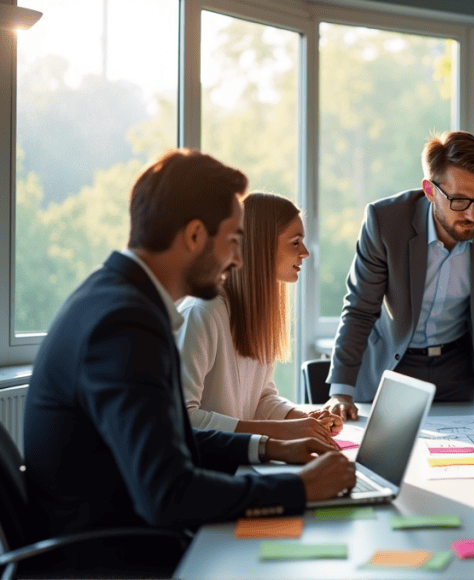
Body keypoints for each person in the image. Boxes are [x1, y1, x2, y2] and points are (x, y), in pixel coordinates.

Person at [22, 150, 356, 575]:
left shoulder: (118, 299)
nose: (238, 259)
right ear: (195, 235)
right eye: (234, 240)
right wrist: (297, 488)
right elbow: (167, 493)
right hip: (113, 555)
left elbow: (174, 436)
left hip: (125, 532)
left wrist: (273, 447)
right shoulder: (124, 323)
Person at [322, 131, 474, 422]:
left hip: (458, 369)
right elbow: (360, 309)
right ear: (430, 191)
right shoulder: (386, 222)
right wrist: (340, 391)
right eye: (460, 201)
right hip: (393, 364)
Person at [177, 192, 342, 446]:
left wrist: (306, 420)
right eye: (295, 242)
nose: (306, 253)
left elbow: (262, 399)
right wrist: (284, 432)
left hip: (239, 458)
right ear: (261, 246)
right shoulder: (202, 313)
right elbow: (183, 419)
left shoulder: (254, 313)